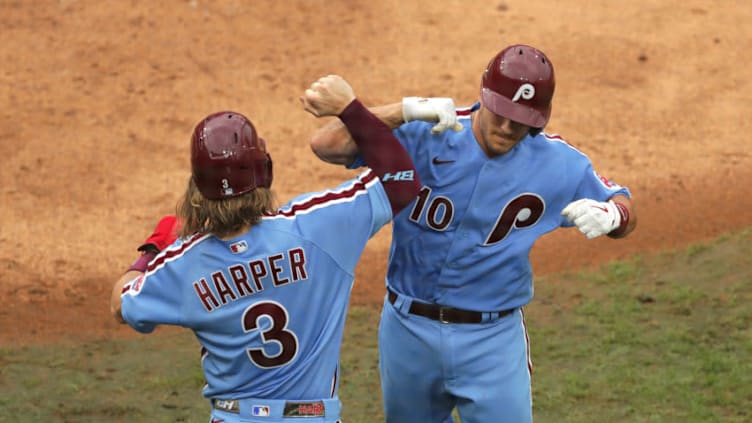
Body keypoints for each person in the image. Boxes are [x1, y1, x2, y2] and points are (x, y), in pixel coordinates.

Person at [309, 44, 638, 423]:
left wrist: (615, 214)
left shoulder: (560, 164)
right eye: (500, 112)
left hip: (492, 340)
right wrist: (403, 111)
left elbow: (624, 206)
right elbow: (326, 144)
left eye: (521, 120)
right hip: (408, 330)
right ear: (483, 96)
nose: (507, 127)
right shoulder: (427, 131)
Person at [110, 74, 422, 423]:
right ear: (267, 173)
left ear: (196, 189)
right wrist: (355, 110)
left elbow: (123, 304)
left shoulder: (183, 265)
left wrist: (153, 250)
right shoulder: (318, 227)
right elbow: (403, 180)